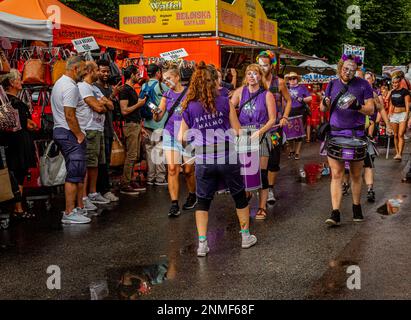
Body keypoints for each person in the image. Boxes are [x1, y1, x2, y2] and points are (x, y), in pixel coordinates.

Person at [178, 62, 257, 257]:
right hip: (227, 156)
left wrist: (193, 150)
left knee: (203, 201)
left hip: (204, 158)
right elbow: (237, 131)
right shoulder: (224, 101)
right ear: (213, 81)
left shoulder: (189, 106)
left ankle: (202, 244)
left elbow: (181, 137)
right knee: (239, 196)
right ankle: (245, 237)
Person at [321, 54, 374, 226]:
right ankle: (335, 213)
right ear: (340, 67)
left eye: (352, 70)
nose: (348, 73)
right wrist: (325, 102)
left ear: (356, 70)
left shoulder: (363, 84)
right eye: (345, 69)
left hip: (356, 136)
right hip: (335, 134)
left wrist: (357, 106)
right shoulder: (332, 84)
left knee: (356, 175)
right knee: (336, 174)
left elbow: (370, 109)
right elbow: (323, 108)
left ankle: (356, 207)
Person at [231, 64, 276, 220]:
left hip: (261, 134)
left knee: (261, 173)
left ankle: (262, 207)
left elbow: (272, 119)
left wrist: (260, 132)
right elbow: (228, 109)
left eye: (255, 73)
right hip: (243, 134)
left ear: (260, 76)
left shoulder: (267, 95)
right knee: (244, 171)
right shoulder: (240, 92)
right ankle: (247, 195)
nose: (251, 76)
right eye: (249, 73)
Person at [153, 63, 196, 217]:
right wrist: (155, 113)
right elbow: (159, 115)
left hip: (187, 135)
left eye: (169, 78)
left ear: (177, 77)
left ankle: (192, 195)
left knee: (189, 171)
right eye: (164, 80)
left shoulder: (190, 93)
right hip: (170, 133)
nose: (166, 82)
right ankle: (174, 204)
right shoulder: (166, 95)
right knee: (172, 169)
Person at [51, 56, 91, 224]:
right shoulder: (70, 86)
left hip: (63, 131)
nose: (85, 72)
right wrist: (79, 134)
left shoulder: (61, 83)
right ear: (75, 69)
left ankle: (74, 209)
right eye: (83, 69)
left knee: (76, 171)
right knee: (75, 172)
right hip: (68, 132)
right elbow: (69, 115)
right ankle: (69, 212)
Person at [77, 61, 115, 212]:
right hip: (89, 128)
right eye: (96, 71)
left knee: (97, 163)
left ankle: (93, 193)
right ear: (90, 71)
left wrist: (105, 102)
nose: (99, 74)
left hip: (99, 129)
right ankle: (84, 197)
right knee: (89, 163)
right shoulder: (83, 87)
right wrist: (103, 103)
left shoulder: (94, 89)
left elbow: (111, 106)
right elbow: (99, 107)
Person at [1, 69, 37, 219]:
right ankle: (18, 208)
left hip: (11, 142)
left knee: (13, 173)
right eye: (18, 79)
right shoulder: (16, 103)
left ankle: (15, 207)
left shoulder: (5, 101)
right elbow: (27, 124)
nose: (21, 82)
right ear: (11, 83)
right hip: (20, 142)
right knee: (19, 175)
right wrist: (32, 124)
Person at [257, 50, 292, 205]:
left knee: (273, 159)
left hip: (274, 128)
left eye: (265, 65)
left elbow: (289, 101)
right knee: (256, 159)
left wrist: (284, 117)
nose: (262, 68)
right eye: (260, 65)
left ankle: (269, 188)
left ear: (271, 66)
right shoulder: (253, 81)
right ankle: (258, 187)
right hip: (257, 128)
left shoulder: (280, 83)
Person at [94, 59, 121, 202]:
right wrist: (112, 96)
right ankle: (102, 190)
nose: (105, 74)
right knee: (101, 162)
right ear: (96, 71)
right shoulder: (94, 88)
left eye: (107, 71)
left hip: (109, 128)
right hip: (99, 129)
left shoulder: (109, 87)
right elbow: (105, 106)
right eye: (102, 71)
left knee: (107, 161)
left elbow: (113, 108)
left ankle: (104, 189)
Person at [363, 71, 393, 202]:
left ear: (373, 80)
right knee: (349, 164)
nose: (366, 80)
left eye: (369, 78)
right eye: (365, 78)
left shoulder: (375, 94)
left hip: (370, 130)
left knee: (368, 161)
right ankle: (346, 184)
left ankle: (370, 189)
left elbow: (381, 109)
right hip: (354, 131)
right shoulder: (353, 91)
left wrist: (388, 125)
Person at [119, 65, 148, 195]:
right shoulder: (125, 90)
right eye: (137, 74)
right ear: (131, 75)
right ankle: (125, 183)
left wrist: (140, 127)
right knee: (131, 155)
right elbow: (124, 110)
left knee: (135, 155)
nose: (139, 76)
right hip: (130, 125)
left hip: (135, 125)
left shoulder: (130, 89)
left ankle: (129, 180)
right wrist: (139, 104)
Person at [139, 63, 168, 186]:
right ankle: (160, 178)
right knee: (159, 150)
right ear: (158, 73)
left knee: (150, 150)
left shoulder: (144, 85)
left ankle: (150, 177)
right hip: (159, 123)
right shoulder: (162, 86)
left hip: (147, 123)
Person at [285, 72, 312, 160]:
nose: (292, 80)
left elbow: (310, 97)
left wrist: (302, 99)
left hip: (300, 111)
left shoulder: (302, 87)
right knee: (289, 133)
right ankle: (291, 150)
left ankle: (297, 152)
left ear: (297, 79)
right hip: (288, 111)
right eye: (290, 78)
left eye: (294, 78)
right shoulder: (285, 88)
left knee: (299, 133)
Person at [388, 73, 410, 161]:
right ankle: (397, 153)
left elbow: (407, 105)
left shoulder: (405, 91)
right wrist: (390, 113)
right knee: (395, 135)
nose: (394, 84)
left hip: (403, 114)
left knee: (401, 134)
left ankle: (400, 153)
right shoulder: (392, 92)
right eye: (393, 83)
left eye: (396, 83)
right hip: (394, 115)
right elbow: (391, 104)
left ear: (400, 82)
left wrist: (407, 116)